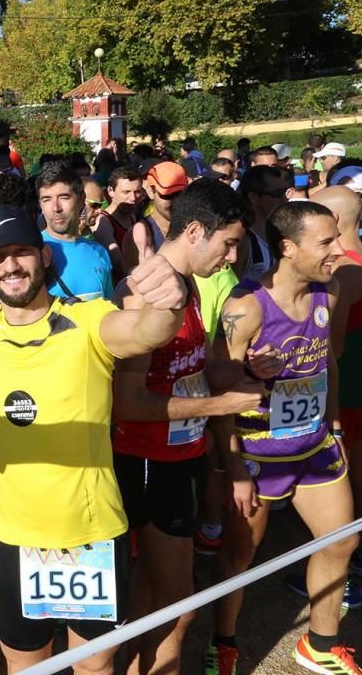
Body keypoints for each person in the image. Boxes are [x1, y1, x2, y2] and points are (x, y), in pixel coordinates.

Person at [0, 204, 190, 675]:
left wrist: (170, 302)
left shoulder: (89, 321)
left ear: (43, 255)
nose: (11, 266)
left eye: (21, 252)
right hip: (18, 540)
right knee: (25, 665)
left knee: (96, 666)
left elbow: (146, 331)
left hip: (92, 534)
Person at [110, 180, 264, 674]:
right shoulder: (144, 293)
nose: (234, 256)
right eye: (229, 242)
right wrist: (219, 406)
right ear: (195, 231)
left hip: (181, 457)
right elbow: (128, 401)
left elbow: (195, 367)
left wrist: (249, 373)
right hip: (148, 460)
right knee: (179, 603)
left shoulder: (192, 283)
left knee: (154, 590)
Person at [206, 201, 362, 675]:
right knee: (240, 556)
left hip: (313, 447)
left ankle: (319, 644)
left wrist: (334, 428)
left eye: (337, 237)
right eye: (326, 242)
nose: (338, 250)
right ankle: (223, 643)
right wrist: (233, 467)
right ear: (288, 248)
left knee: (340, 542)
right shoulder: (245, 306)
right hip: (257, 453)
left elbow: (328, 362)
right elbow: (218, 387)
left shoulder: (328, 291)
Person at [303, 187, 362, 588]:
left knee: (349, 477)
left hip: (348, 393)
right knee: (358, 470)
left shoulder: (344, 270)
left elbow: (332, 347)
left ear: (334, 221)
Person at [37, 163, 114, 301]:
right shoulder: (31, 254)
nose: (56, 208)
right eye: (47, 199)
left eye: (64, 197)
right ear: (40, 205)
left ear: (81, 200)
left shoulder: (99, 252)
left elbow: (110, 310)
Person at [124, 161, 187, 272]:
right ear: (150, 191)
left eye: (180, 194)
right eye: (168, 195)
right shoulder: (141, 235)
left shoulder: (193, 226)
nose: (176, 201)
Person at [96, 166, 143, 279]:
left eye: (137, 192)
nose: (133, 198)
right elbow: (119, 265)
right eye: (126, 192)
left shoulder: (131, 215)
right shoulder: (104, 222)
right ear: (110, 191)